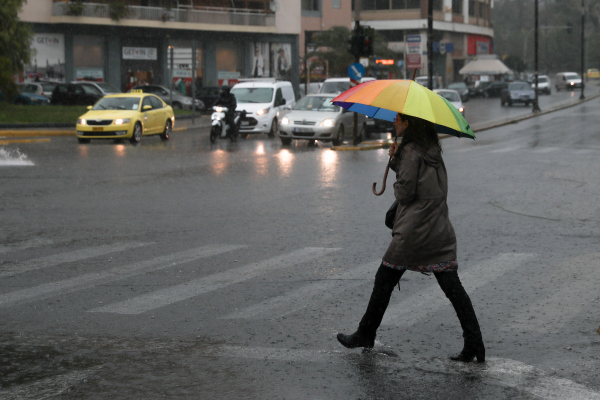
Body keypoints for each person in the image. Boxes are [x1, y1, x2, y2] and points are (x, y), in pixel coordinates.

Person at [336, 113, 485, 363]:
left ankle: (365, 333)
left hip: (414, 230)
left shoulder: (412, 151)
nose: (394, 122)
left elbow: (405, 192)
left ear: (408, 123)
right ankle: (475, 343)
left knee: (384, 278)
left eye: (398, 119)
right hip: (437, 228)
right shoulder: (430, 150)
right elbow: (424, 182)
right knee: (452, 287)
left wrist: (397, 162)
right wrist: (397, 160)